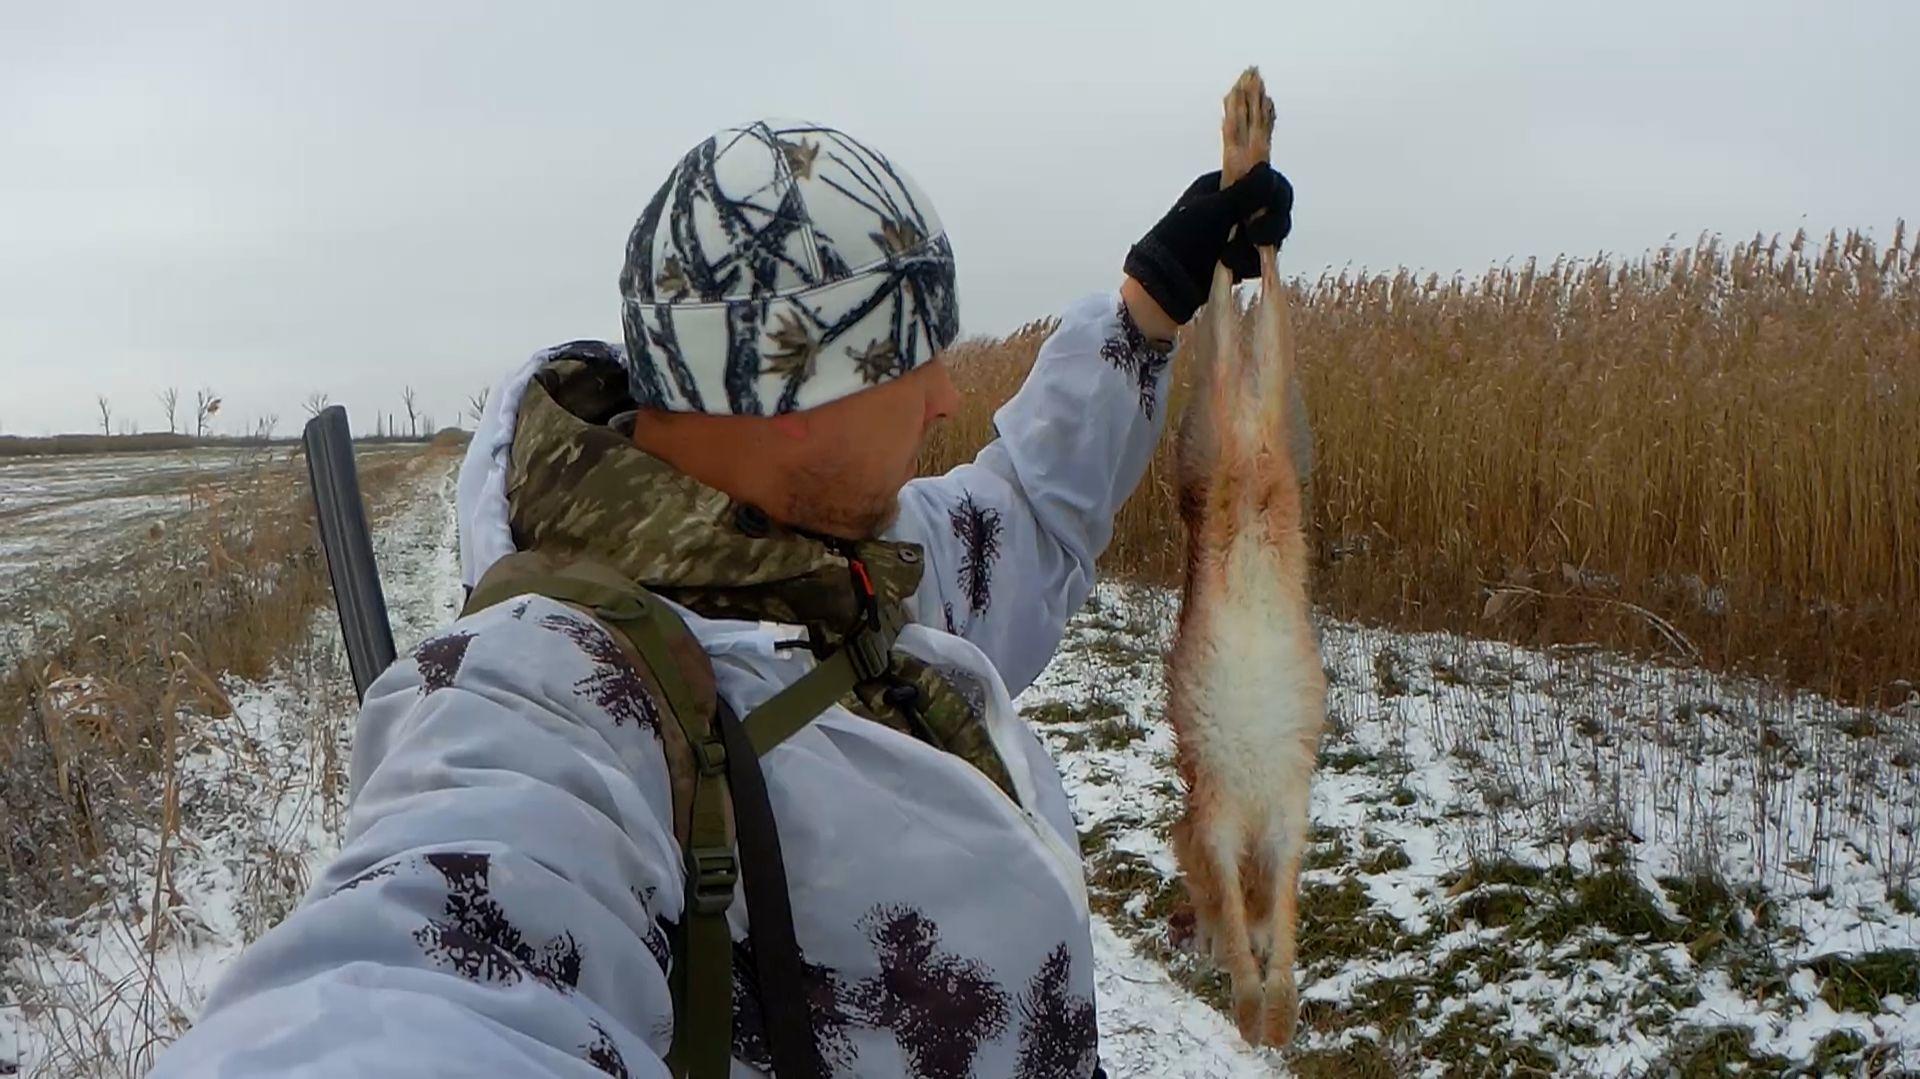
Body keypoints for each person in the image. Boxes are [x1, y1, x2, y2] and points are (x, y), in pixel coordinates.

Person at [147, 117, 1291, 1078]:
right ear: (790, 383)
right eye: (915, 356)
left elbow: (1025, 514)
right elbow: (409, 987)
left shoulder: (841, 562)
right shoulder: (542, 694)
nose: (949, 396)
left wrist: (1147, 305)